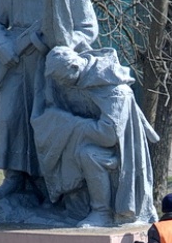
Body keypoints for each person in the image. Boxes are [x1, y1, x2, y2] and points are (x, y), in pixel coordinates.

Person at [0, 0, 98, 205]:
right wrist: (2, 48)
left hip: (51, 66)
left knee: (48, 122)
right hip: (16, 64)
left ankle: (50, 183)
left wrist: (65, 45)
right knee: (11, 119)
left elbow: (88, 28)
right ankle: (13, 179)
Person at [32, 45, 159, 226]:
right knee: (64, 138)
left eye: (62, 79)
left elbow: (109, 134)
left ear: (75, 68)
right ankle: (66, 202)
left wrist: (73, 124)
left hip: (122, 155)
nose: (62, 84)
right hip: (95, 142)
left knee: (88, 154)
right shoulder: (77, 81)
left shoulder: (115, 91)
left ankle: (102, 212)